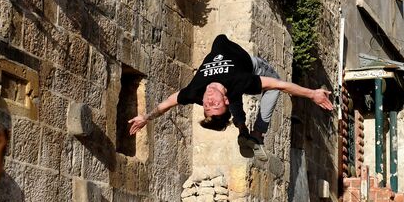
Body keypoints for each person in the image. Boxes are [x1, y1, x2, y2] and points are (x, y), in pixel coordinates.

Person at [128, 34, 333, 161]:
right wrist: (312, 93)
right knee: (271, 86)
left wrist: (146, 117)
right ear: (223, 101)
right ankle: (257, 134)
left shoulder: (194, 92)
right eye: (214, 104)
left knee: (235, 100)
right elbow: (280, 85)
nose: (209, 101)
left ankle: (243, 130)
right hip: (252, 66)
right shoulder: (242, 81)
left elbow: (166, 104)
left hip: (232, 89)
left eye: (208, 106)